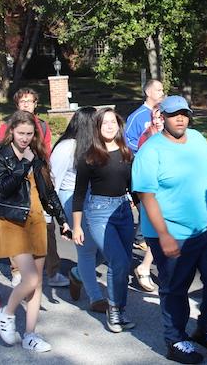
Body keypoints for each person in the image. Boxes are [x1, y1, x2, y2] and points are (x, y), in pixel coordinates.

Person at [133, 95, 207, 364]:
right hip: (173, 232)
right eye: (173, 114)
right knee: (175, 287)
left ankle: (206, 328)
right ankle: (175, 339)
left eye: (184, 113)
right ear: (162, 117)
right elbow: (146, 196)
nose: (180, 118)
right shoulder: (150, 151)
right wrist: (164, 235)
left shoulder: (198, 139)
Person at [0, 110, 70, 352]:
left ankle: (30, 334)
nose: (25, 138)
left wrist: (62, 219)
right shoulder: (2, 155)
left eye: (29, 134)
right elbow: (3, 188)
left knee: (37, 285)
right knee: (31, 278)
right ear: (11, 132)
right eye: (21, 133)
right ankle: (6, 313)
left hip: (37, 222)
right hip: (13, 223)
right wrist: (21, 164)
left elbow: (48, 192)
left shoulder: (37, 156)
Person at [72, 107, 135, 333]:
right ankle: (114, 311)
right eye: (104, 123)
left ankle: (120, 308)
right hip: (99, 212)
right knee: (117, 260)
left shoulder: (127, 152)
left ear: (118, 125)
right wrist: (77, 226)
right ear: (97, 128)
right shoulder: (89, 156)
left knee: (124, 263)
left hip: (124, 211)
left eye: (113, 122)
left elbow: (133, 188)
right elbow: (79, 194)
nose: (109, 126)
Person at [0, 87, 67, 288]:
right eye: (23, 101)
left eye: (30, 101)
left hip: (38, 181)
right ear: (17, 104)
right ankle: (17, 270)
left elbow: (45, 155)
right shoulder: (7, 127)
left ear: (36, 104)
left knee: (47, 226)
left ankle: (52, 271)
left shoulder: (42, 126)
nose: (26, 104)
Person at [49, 107, 107, 310]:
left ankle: (78, 274)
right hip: (70, 200)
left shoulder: (94, 145)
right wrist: (56, 218)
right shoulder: (66, 147)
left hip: (94, 200)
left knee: (108, 247)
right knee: (87, 249)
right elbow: (52, 183)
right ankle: (95, 298)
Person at [133, 105, 163, 292]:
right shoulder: (148, 137)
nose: (157, 121)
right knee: (158, 233)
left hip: (170, 192)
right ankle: (144, 268)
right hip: (153, 192)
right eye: (155, 117)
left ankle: (149, 268)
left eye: (161, 117)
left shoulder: (176, 136)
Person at [125, 79, 165, 153]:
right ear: (148, 93)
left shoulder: (165, 113)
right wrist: (146, 147)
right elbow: (127, 140)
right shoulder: (136, 116)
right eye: (158, 90)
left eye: (162, 90)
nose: (162, 93)